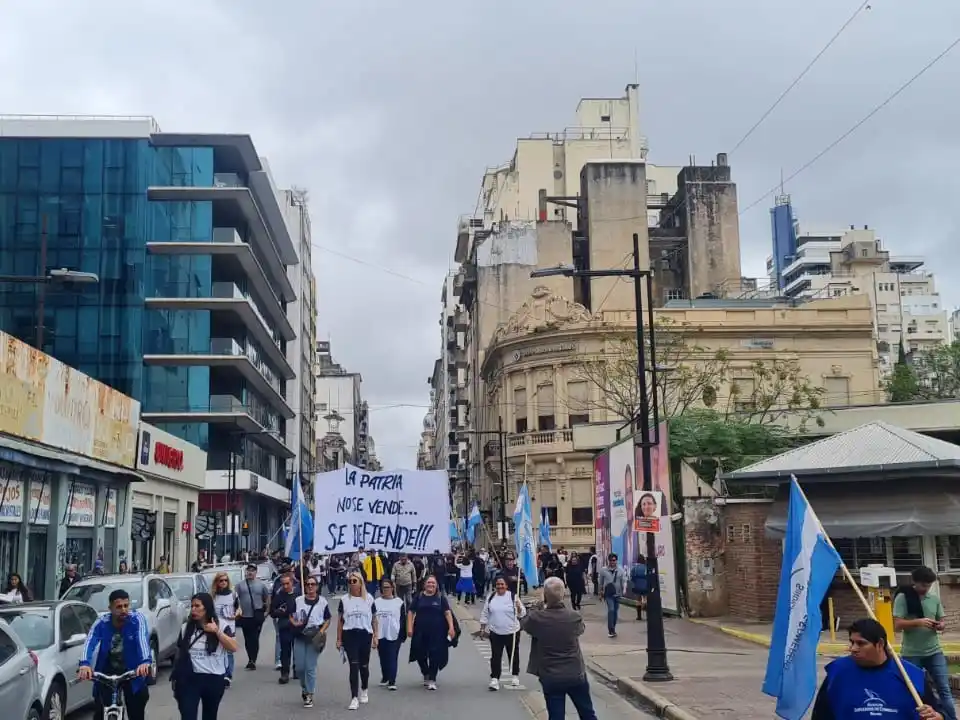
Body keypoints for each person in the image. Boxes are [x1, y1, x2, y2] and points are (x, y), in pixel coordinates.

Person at [811, 617, 943, 720]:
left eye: (861, 643)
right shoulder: (837, 672)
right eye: (852, 642)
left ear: (880, 644)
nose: (853, 649)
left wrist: (937, 716)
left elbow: (938, 713)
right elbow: (821, 714)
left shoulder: (912, 676)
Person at [520, 577, 598, 720]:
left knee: (556, 716)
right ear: (563, 595)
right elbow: (580, 630)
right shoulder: (573, 617)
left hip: (551, 675)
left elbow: (524, 624)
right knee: (587, 713)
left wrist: (536, 607)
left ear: (545, 596)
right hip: (575, 673)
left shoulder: (537, 617)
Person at [77, 589, 152, 720]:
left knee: (137, 708)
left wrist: (145, 661)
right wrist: (84, 664)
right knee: (101, 711)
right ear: (110, 608)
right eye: (119, 607)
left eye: (126, 606)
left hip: (133, 671)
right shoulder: (102, 622)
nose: (123, 610)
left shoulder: (137, 620)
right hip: (107, 673)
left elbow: (142, 640)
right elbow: (90, 642)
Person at [893, 566, 957, 720]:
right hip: (911, 653)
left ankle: (950, 718)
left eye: (929, 585)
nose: (926, 589)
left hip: (934, 651)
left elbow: (942, 620)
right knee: (913, 690)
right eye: (923, 585)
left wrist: (941, 625)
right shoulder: (904, 597)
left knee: (944, 689)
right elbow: (897, 625)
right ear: (915, 582)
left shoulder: (934, 598)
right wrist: (918, 622)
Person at [172, 592, 239, 720]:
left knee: (209, 716)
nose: (193, 609)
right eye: (192, 606)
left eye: (197, 606)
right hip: (190, 678)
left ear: (206, 607)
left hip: (213, 678)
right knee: (187, 715)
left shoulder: (222, 625)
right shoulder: (186, 628)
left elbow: (233, 647)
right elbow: (180, 651)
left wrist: (217, 632)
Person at [338, 570, 378, 710]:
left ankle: (364, 689)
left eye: (354, 581)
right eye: (349, 581)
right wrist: (339, 639)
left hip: (365, 634)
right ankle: (354, 697)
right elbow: (340, 621)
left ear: (360, 583)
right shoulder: (344, 600)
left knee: (364, 666)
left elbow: (374, 619)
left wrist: (376, 637)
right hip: (350, 634)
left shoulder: (369, 599)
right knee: (353, 666)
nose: (351, 584)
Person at [407, 575, 455, 691]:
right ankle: (426, 672)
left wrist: (451, 627)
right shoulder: (419, 597)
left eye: (433, 583)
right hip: (420, 631)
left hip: (437, 632)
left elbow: (447, 613)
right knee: (419, 653)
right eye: (429, 582)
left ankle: (432, 679)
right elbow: (411, 612)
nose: (431, 585)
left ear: (436, 585)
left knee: (435, 655)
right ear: (425, 584)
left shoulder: (440, 598)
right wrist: (409, 627)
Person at [480, 576, 526, 690]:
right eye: (498, 584)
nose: (500, 586)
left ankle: (515, 675)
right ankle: (495, 678)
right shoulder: (491, 597)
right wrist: (482, 628)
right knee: (495, 656)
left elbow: (522, 614)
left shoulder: (513, 596)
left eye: (502, 584)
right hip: (495, 631)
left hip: (512, 631)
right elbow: (485, 612)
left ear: (506, 586)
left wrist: (519, 608)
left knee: (513, 654)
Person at [292, 575, 331, 708]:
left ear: (317, 586)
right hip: (300, 636)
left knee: (310, 667)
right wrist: (295, 623)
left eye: (312, 584)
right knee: (300, 668)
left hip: (314, 637)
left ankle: (309, 693)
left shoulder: (322, 602)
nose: (310, 587)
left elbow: (327, 619)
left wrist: (321, 631)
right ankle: (304, 687)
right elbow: (290, 615)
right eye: (308, 584)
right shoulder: (298, 600)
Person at [235, 563, 270, 670]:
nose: (250, 572)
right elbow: (235, 599)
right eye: (248, 570)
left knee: (254, 638)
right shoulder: (240, 585)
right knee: (247, 639)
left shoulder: (261, 585)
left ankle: (253, 660)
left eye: (252, 570)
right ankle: (250, 658)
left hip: (257, 615)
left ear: (256, 572)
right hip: (245, 616)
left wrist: (266, 612)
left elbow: (267, 598)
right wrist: (237, 610)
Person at [375, 578, 406, 691]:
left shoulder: (399, 602)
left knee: (392, 657)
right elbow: (373, 618)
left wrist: (403, 634)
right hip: (380, 633)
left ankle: (392, 681)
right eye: (383, 588)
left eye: (388, 587)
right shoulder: (376, 602)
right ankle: (385, 677)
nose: (385, 590)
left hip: (394, 634)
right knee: (383, 657)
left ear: (392, 588)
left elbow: (403, 619)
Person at [210, 572, 237, 686]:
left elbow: (239, 609)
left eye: (225, 580)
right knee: (217, 651)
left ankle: (228, 675)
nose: (223, 583)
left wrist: (235, 615)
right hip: (217, 626)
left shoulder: (233, 595)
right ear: (217, 582)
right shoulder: (212, 596)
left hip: (229, 626)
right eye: (221, 580)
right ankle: (218, 673)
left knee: (229, 651)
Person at [270, 574, 298, 684]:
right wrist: (280, 611)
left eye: (287, 583)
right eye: (283, 584)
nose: (285, 586)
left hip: (297, 627)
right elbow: (272, 612)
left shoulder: (298, 595)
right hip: (284, 627)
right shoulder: (279, 596)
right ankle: (285, 673)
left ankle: (297, 670)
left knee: (297, 650)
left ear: (292, 583)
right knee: (285, 652)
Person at [597, 553, 625, 638]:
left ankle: (613, 628)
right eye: (611, 560)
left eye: (614, 560)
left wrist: (623, 591)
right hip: (608, 594)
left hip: (617, 594)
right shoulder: (603, 570)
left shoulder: (620, 570)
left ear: (616, 561)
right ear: (608, 561)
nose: (613, 562)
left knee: (615, 612)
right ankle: (610, 630)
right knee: (611, 610)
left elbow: (623, 582)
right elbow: (600, 583)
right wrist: (600, 592)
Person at [630, 555, 648, 621]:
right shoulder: (646, 567)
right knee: (646, 598)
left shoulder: (635, 568)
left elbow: (631, 576)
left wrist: (635, 582)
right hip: (645, 585)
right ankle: (647, 614)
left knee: (638, 600)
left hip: (637, 585)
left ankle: (639, 616)